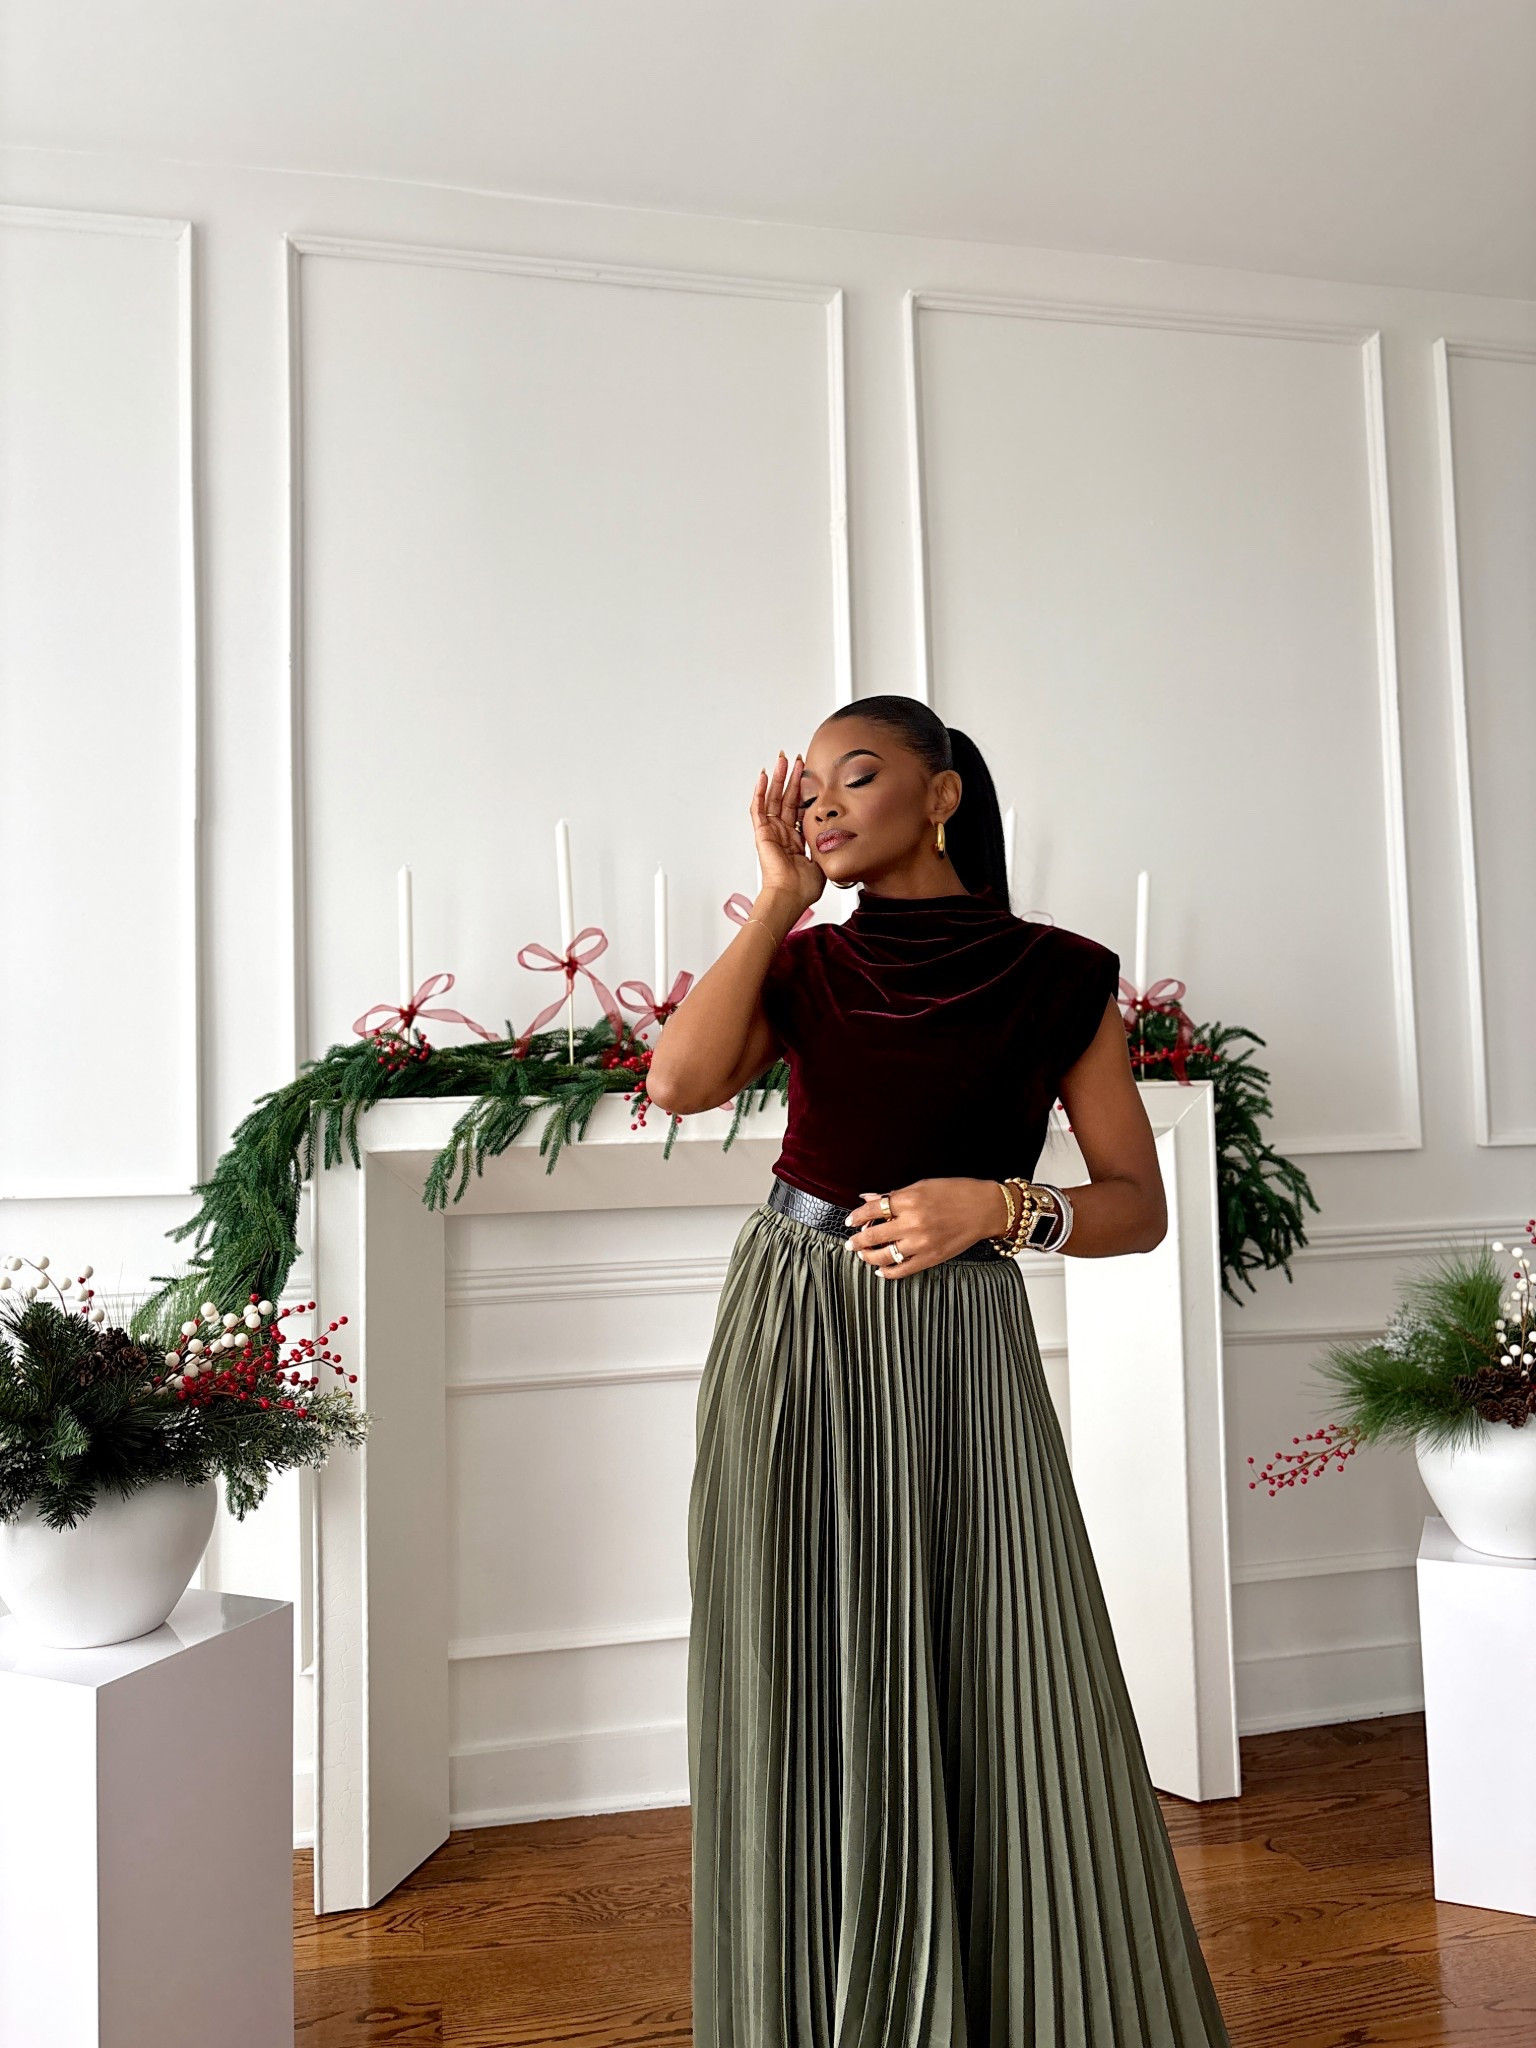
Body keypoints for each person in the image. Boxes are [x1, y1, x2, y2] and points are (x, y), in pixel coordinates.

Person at [647, 696, 1231, 2047]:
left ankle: (1004, 1996)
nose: (823, 803)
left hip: (961, 1339)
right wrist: (778, 898)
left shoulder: (1058, 975)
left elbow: (1137, 1206)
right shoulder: (806, 964)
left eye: (856, 776)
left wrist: (1000, 1208)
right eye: (808, 787)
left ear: (944, 793)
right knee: (795, 1651)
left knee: (994, 1648)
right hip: (794, 1322)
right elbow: (678, 1082)